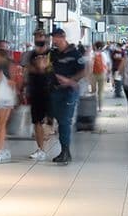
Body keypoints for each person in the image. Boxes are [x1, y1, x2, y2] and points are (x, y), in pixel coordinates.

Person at [47, 27, 88, 165]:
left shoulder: (75, 54)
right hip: (55, 91)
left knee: (65, 121)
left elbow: (83, 71)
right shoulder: (54, 54)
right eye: (52, 38)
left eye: (55, 37)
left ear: (62, 37)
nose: (53, 40)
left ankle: (65, 151)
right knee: (60, 121)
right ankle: (64, 151)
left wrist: (70, 81)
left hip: (69, 92)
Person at [24, 33, 56, 161]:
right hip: (36, 91)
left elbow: (43, 68)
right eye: (37, 41)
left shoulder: (52, 54)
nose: (39, 44)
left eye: (42, 41)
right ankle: (41, 149)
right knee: (36, 120)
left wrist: (41, 66)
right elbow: (29, 69)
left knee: (50, 118)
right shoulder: (31, 55)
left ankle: (50, 138)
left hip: (50, 90)